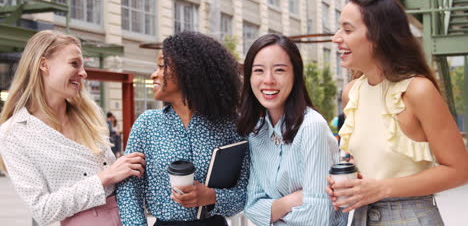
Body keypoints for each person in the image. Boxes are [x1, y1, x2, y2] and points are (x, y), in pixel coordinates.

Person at [327, 0, 468, 225]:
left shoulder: (418, 90)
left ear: (378, 35)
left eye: (347, 30)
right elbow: (377, 167)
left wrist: (381, 189)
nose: (336, 38)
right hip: (362, 217)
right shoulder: (351, 94)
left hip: (412, 217)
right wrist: (352, 183)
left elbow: (460, 170)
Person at [0, 30, 145, 226]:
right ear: (44, 64)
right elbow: (42, 210)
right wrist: (104, 178)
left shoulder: (88, 114)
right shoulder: (14, 133)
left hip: (129, 215)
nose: (84, 73)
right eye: (74, 63)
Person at [116, 31, 249, 226]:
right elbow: (129, 190)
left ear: (189, 71)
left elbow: (244, 191)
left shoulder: (230, 126)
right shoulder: (147, 124)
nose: (154, 74)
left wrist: (211, 197)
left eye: (162, 66)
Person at [238, 34, 347, 225]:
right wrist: (294, 200)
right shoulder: (256, 132)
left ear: (295, 75)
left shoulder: (312, 127)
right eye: (259, 71)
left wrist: (273, 211)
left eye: (279, 70)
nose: (268, 80)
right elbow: (252, 207)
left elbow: (317, 218)